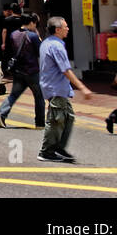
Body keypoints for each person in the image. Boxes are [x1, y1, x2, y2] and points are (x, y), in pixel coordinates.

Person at [37, 15, 93, 162]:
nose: (68, 29)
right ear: (57, 29)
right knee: (56, 120)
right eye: (65, 26)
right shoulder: (56, 45)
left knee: (68, 117)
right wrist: (82, 87)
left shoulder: (47, 43)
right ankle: (47, 151)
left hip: (56, 87)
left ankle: (58, 148)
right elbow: (66, 70)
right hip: (55, 87)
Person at [0, 13, 44, 129]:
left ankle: (1, 113)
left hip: (18, 71)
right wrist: (37, 35)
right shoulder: (32, 36)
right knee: (39, 97)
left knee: (13, 95)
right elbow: (41, 51)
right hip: (32, 70)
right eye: (35, 24)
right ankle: (40, 123)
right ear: (31, 23)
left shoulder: (14, 34)